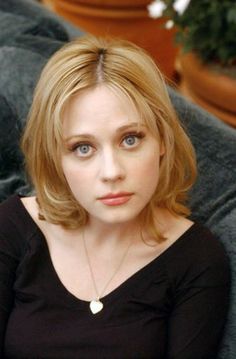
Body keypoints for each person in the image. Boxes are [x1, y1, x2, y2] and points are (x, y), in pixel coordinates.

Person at [0, 35, 230, 358]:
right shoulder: (12, 227)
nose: (111, 172)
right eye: (83, 148)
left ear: (162, 139)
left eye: (130, 139)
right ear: (56, 158)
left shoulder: (196, 260)